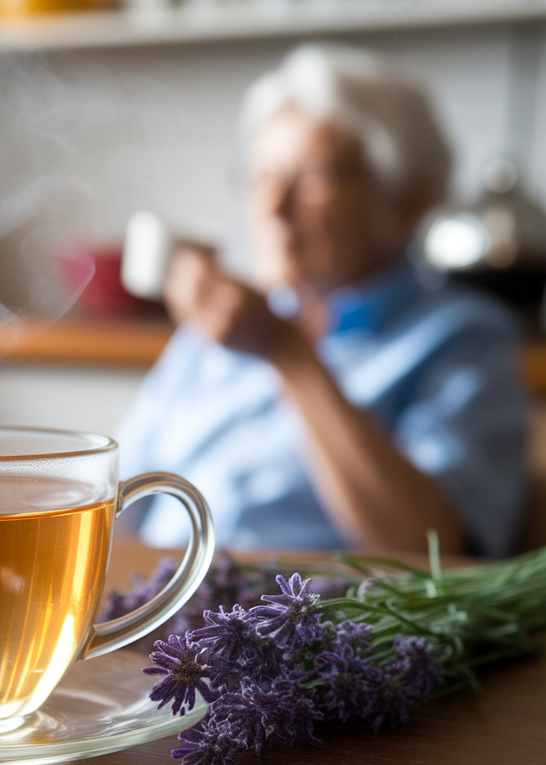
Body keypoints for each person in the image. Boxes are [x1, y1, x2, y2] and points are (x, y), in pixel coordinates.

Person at [116, 43, 528, 558]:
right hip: (149, 616)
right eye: (260, 175)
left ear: (405, 201)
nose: (271, 207)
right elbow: (116, 507)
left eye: (313, 178)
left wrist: (287, 352)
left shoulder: (465, 338)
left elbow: (435, 550)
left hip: (301, 632)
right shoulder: (218, 330)